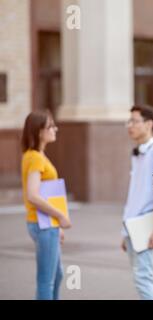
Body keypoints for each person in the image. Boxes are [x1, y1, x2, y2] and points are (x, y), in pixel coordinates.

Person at [121, 105, 153, 300]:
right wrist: (125, 230)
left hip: (146, 226)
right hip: (132, 226)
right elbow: (136, 193)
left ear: (149, 124)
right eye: (129, 121)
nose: (129, 125)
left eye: (134, 121)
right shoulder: (138, 152)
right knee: (140, 277)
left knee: (144, 278)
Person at [21, 110, 72, 300]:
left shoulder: (38, 155)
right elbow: (32, 195)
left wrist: (56, 226)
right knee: (46, 280)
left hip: (47, 225)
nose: (55, 129)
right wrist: (59, 216)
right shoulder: (34, 157)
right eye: (50, 126)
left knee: (56, 275)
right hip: (43, 225)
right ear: (38, 130)